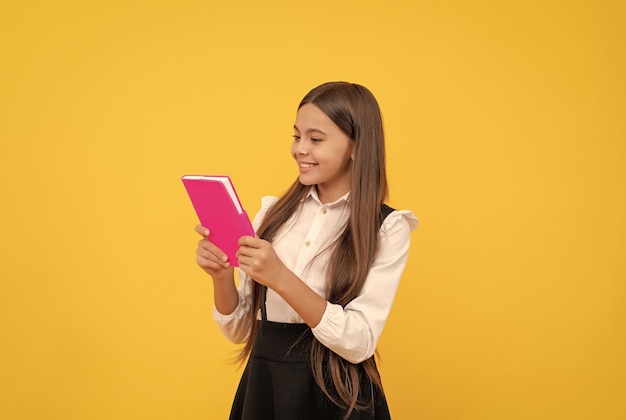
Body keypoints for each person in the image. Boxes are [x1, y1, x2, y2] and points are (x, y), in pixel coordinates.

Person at [195, 81, 419, 420]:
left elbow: (359, 342)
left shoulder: (387, 228)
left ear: (356, 146)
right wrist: (221, 275)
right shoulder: (273, 215)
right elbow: (239, 329)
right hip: (265, 386)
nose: (300, 148)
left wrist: (281, 278)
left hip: (339, 394)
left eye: (315, 139)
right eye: (296, 136)